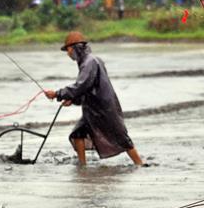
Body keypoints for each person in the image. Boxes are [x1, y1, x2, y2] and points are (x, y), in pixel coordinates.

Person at [44, 32, 143, 166]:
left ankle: (140, 164)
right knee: (78, 133)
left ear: (75, 48)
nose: (68, 54)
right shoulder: (90, 61)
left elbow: (81, 85)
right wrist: (73, 100)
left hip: (103, 108)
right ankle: (82, 165)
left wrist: (57, 94)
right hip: (93, 108)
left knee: (121, 138)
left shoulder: (89, 62)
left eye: (68, 50)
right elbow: (88, 87)